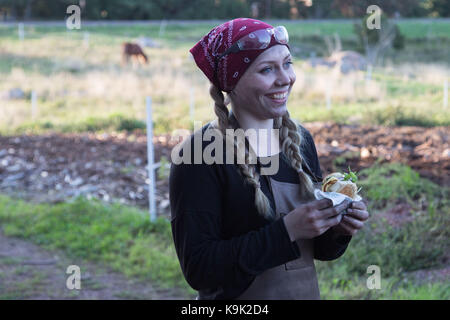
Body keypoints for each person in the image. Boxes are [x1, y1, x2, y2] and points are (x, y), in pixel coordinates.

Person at [169, 18, 369, 300]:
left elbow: (319, 251)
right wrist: (286, 230)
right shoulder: (199, 156)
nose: (285, 78)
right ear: (232, 81)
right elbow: (199, 268)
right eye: (267, 69)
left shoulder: (299, 141)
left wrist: (338, 229)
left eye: (287, 63)